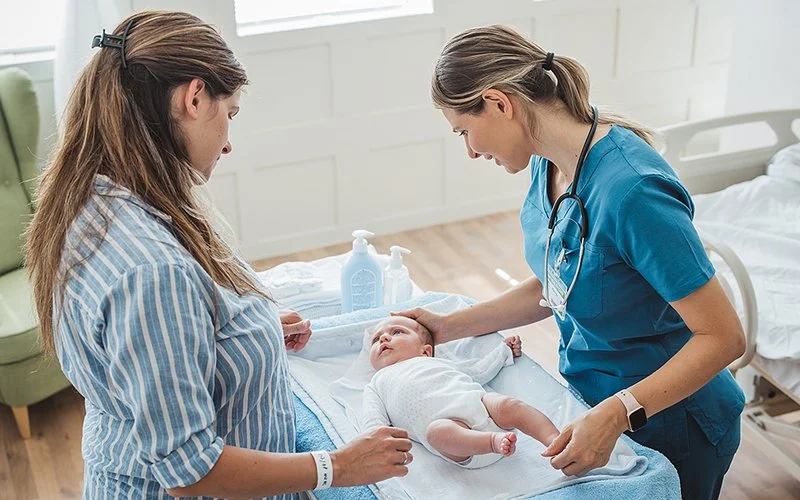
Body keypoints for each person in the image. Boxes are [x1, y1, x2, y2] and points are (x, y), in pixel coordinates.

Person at [25, 11, 411, 499]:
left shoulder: (89, 200)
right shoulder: (153, 273)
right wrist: (339, 465)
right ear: (194, 98)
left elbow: (134, 358)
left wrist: (239, 332)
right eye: (230, 114)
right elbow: (190, 471)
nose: (228, 144)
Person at [395, 25, 746, 499]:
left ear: (499, 104)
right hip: (594, 403)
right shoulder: (549, 162)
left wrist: (618, 412)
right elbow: (560, 278)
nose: (471, 151)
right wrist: (447, 327)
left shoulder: (633, 191)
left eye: (464, 131)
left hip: (674, 421)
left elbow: (723, 337)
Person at [362, 316, 560, 469]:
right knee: (436, 433)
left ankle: (553, 439)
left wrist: (503, 352)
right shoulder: (377, 383)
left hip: (483, 408)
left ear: (425, 351)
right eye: (376, 339)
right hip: (460, 440)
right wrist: (377, 446)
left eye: (397, 332)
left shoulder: (437, 362)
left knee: (509, 405)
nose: (384, 338)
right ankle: (492, 441)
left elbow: (479, 370)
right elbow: (374, 421)